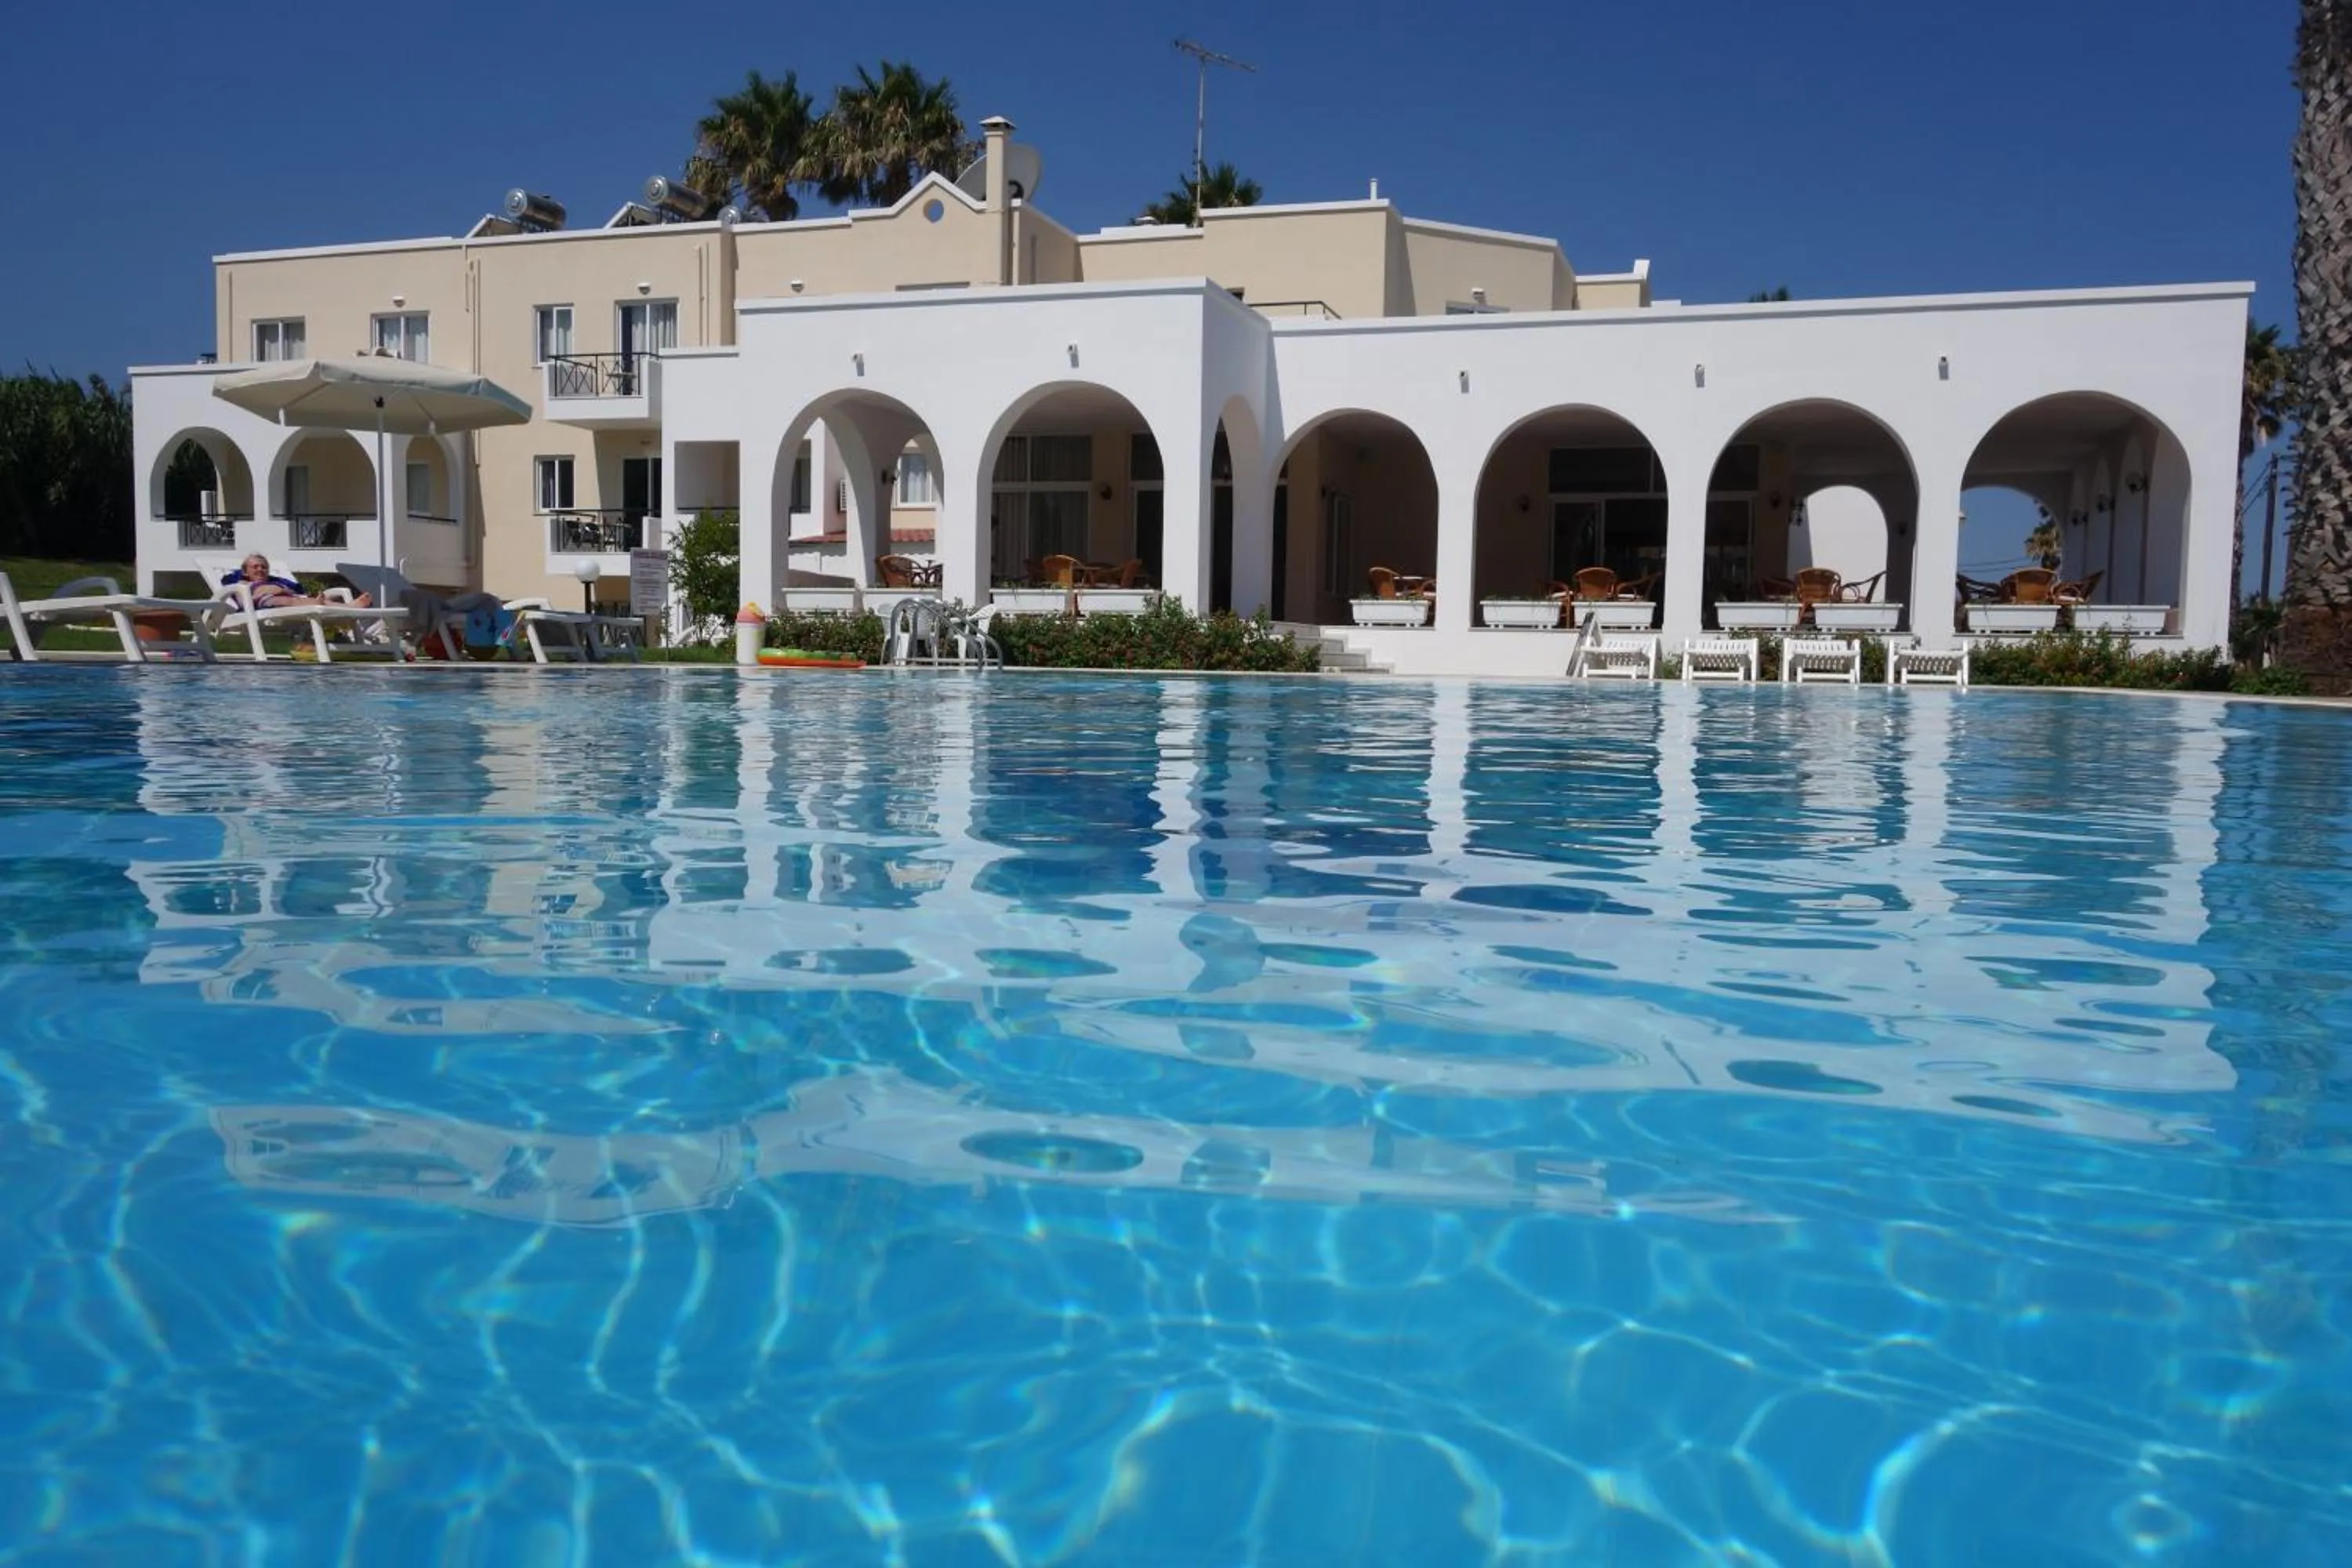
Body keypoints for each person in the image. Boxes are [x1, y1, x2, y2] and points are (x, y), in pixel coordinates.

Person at [221, 554, 370, 609]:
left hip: (286, 598)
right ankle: (318, 603)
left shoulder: (276, 582)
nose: (260, 569)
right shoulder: (241, 585)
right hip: (264, 603)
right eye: (255, 567)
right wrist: (266, 592)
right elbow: (244, 603)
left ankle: (350, 606)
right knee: (289, 601)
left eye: (264, 567)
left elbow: (293, 592)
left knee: (300, 600)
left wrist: (279, 589)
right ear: (246, 571)